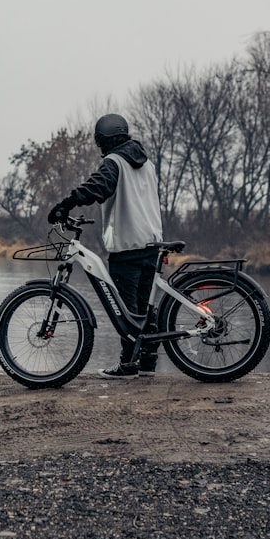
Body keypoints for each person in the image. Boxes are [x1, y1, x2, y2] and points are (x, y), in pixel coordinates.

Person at [47, 113, 163, 379]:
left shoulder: (115, 162)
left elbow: (97, 188)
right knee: (144, 309)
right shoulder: (148, 164)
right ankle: (147, 362)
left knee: (128, 311)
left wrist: (66, 204)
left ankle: (127, 365)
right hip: (152, 242)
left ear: (103, 140)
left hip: (128, 246)